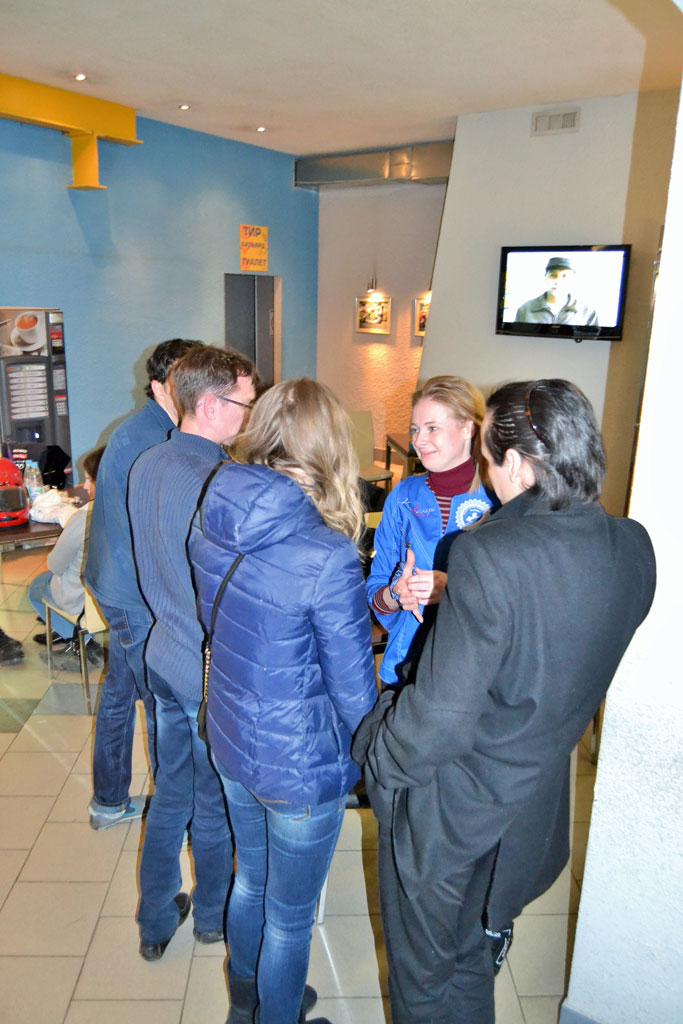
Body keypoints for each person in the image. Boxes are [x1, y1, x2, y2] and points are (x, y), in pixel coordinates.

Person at [353, 379, 656, 1024]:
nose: (486, 473)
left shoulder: (488, 553)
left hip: (450, 815)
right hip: (531, 809)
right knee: (470, 961)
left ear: (517, 464)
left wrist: (375, 749)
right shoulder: (635, 548)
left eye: (489, 458)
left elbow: (438, 720)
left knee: (422, 983)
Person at [189, 379, 378, 1024]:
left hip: (230, 737)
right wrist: (376, 760)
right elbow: (354, 691)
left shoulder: (215, 510)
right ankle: (276, 1011)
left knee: (250, 880)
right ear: (330, 448)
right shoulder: (327, 555)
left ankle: (246, 1003)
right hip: (299, 764)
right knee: (290, 919)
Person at [128, 345, 257, 962]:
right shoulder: (219, 481)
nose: (249, 415)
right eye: (243, 404)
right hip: (204, 670)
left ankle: (155, 920)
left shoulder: (146, 463)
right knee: (211, 802)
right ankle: (210, 915)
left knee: (169, 795)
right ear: (209, 404)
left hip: (162, 654)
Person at [85, 338, 203, 831]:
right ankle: (175, 817)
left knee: (119, 693)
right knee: (160, 702)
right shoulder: (152, 440)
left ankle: (109, 801)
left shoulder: (147, 429)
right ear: (158, 387)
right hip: (135, 594)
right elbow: (159, 534)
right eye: (184, 380)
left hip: (117, 582)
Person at [368, 375, 496, 689]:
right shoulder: (402, 497)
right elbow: (375, 592)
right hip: (404, 671)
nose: (418, 441)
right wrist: (396, 594)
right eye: (415, 429)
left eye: (432, 428)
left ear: (468, 428)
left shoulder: (498, 499)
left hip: (474, 677)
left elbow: (518, 598)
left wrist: (453, 588)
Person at [30, 446, 105, 669]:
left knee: (36, 587)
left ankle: (80, 641)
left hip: (85, 599)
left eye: (89, 479)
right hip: (118, 596)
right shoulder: (132, 507)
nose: (85, 486)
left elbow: (55, 564)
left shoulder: (84, 517)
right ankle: (70, 632)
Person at [515, 256, 598, 326]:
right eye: (552, 275)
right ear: (545, 277)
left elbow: (593, 340)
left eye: (565, 276)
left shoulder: (586, 311)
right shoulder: (526, 309)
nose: (557, 281)